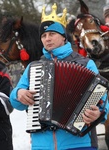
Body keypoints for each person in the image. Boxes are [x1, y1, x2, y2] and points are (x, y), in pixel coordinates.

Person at [10, 3, 109, 150]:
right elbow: (15, 102)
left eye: (52, 34)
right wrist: (18, 93)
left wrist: (99, 114)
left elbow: (103, 103)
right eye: (43, 36)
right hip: (41, 145)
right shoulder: (33, 67)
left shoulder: (86, 64)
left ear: (63, 37)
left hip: (79, 143)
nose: (47, 39)